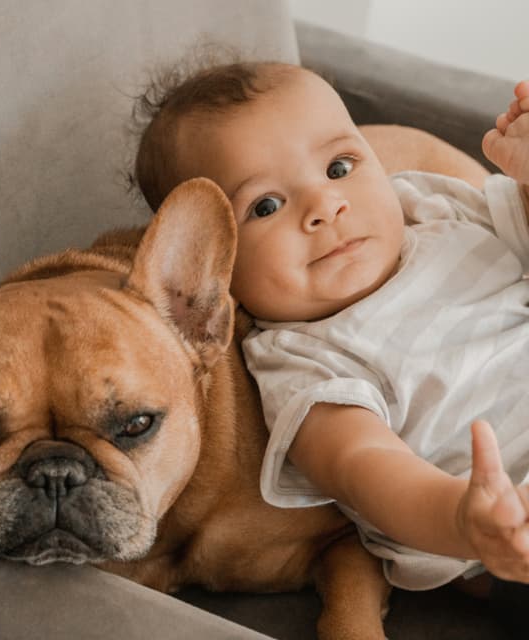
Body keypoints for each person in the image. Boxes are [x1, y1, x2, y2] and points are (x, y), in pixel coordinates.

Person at [131, 60, 529, 598]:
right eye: (265, 205)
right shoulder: (301, 361)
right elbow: (366, 466)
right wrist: (466, 519)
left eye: (340, 167)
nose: (324, 205)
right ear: (215, 269)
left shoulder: (433, 208)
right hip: (503, 524)